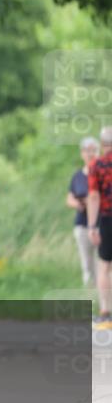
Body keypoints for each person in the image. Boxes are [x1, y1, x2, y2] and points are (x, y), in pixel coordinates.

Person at [86, 127, 112, 330]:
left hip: (107, 218)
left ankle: (105, 312)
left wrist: (92, 225)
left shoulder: (97, 165)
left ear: (102, 145)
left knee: (104, 265)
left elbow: (94, 197)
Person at [69, 137, 100, 287]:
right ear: (82, 153)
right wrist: (79, 204)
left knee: (103, 263)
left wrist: (92, 201)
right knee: (87, 264)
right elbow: (69, 197)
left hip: (101, 222)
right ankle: (90, 296)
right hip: (83, 222)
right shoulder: (77, 176)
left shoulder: (104, 173)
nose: (90, 154)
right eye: (87, 151)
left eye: (94, 150)